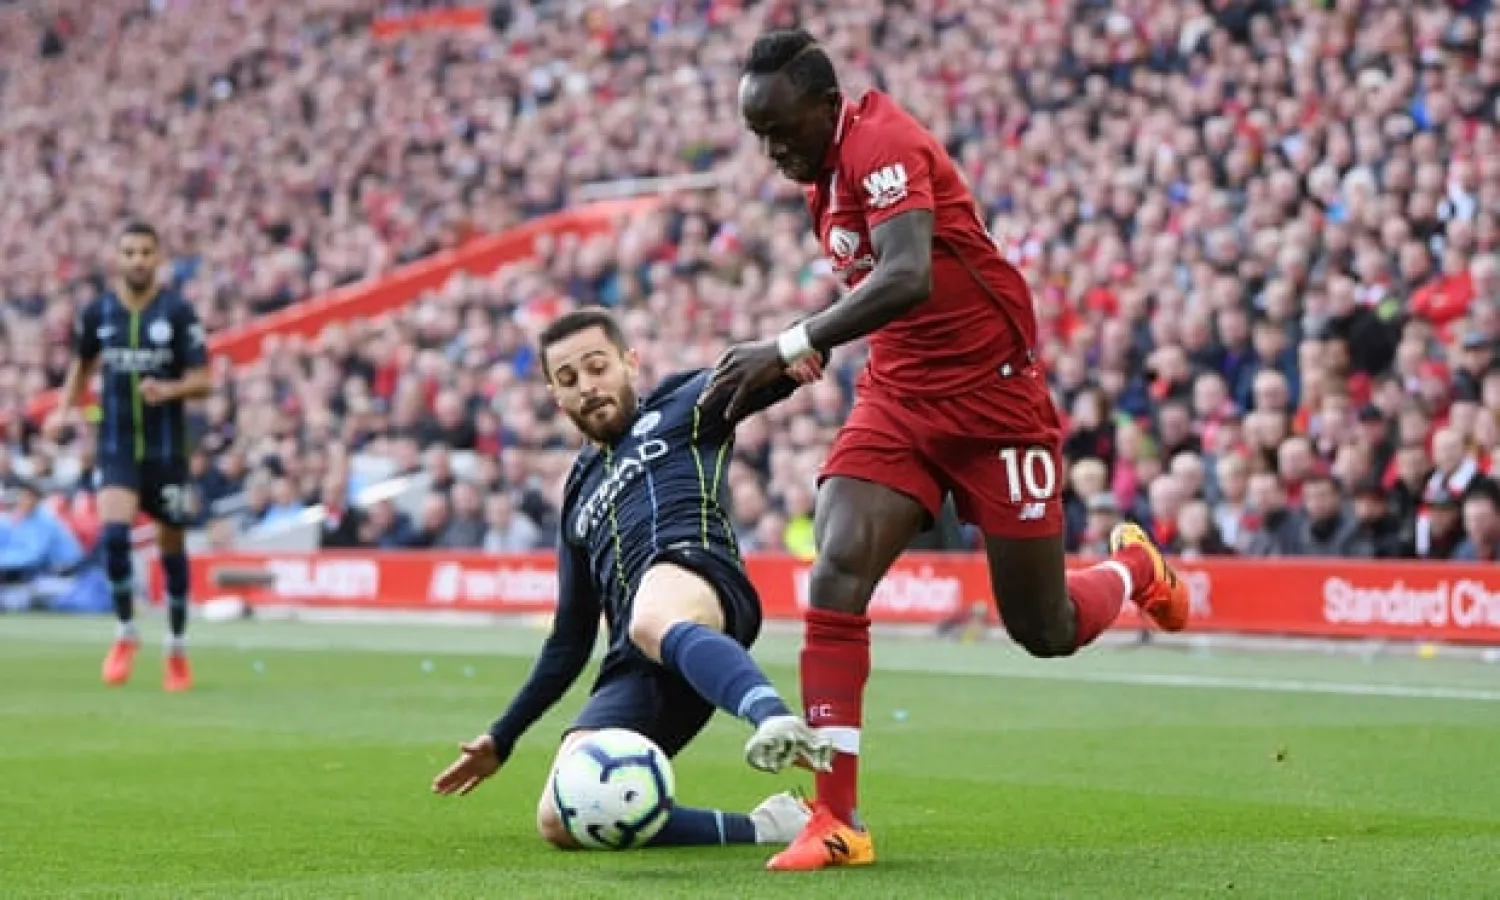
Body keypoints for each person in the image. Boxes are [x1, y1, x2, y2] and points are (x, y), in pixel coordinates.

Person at [701, 29, 1192, 871]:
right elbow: (875, 303)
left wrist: (785, 343)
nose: (773, 150)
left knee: (1044, 628)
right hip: (899, 398)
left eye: (783, 129)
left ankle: (1134, 573)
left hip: (996, 400)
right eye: (760, 136)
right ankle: (837, 818)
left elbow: (907, 276)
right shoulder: (823, 174)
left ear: (827, 106)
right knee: (836, 567)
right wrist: (786, 370)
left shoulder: (884, 142)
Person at [431, 308, 834, 850]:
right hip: (635, 660)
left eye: (597, 367)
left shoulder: (684, 405)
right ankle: (767, 827)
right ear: (556, 396)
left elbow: (780, 357)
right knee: (562, 816)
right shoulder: (576, 495)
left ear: (629, 363)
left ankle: (773, 718)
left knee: (652, 616)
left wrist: (801, 351)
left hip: (699, 577)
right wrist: (502, 738)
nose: (588, 387)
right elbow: (570, 640)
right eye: (569, 379)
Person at [46, 222, 211, 692]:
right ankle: (126, 633)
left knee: (171, 547)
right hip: (117, 447)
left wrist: (170, 388)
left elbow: (204, 378)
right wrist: (62, 410)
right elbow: (82, 365)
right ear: (117, 258)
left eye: (145, 252)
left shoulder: (177, 312)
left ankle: (176, 649)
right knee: (114, 535)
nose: (137, 259)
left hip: (166, 451)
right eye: (129, 252)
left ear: (158, 258)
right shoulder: (98, 313)